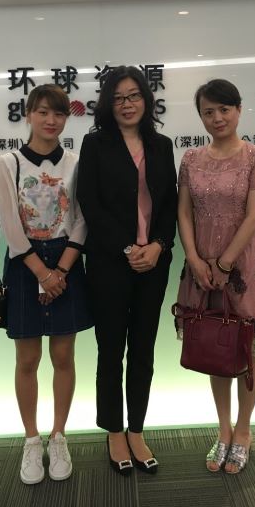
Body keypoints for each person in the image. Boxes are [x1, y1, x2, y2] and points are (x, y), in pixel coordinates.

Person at [77, 65, 177, 476]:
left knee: (143, 349)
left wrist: (158, 245)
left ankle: (137, 429)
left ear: (146, 100)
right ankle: (114, 430)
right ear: (108, 104)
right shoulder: (95, 144)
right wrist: (127, 247)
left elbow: (170, 203)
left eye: (134, 95)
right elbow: (89, 202)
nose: (127, 104)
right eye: (118, 98)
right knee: (111, 350)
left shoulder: (161, 145)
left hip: (154, 262)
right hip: (109, 263)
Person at [176, 79, 255, 475]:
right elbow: (184, 212)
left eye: (224, 109)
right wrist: (194, 258)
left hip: (244, 264)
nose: (217, 118)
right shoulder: (190, 158)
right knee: (213, 341)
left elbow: (254, 215)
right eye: (208, 112)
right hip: (200, 264)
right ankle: (223, 430)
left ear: (238, 110)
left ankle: (244, 430)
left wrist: (224, 264)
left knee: (244, 346)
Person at [0, 84, 93, 485]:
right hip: (25, 265)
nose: (51, 121)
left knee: (64, 356)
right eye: (43, 112)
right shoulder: (9, 163)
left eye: (59, 114)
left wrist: (62, 271)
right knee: (27, 359)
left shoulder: (76, 162)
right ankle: (32, 440)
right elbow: (10, 225)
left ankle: (59, 436)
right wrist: (43, 274)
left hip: (66, 261)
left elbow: (82, 220)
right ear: (29, 115)